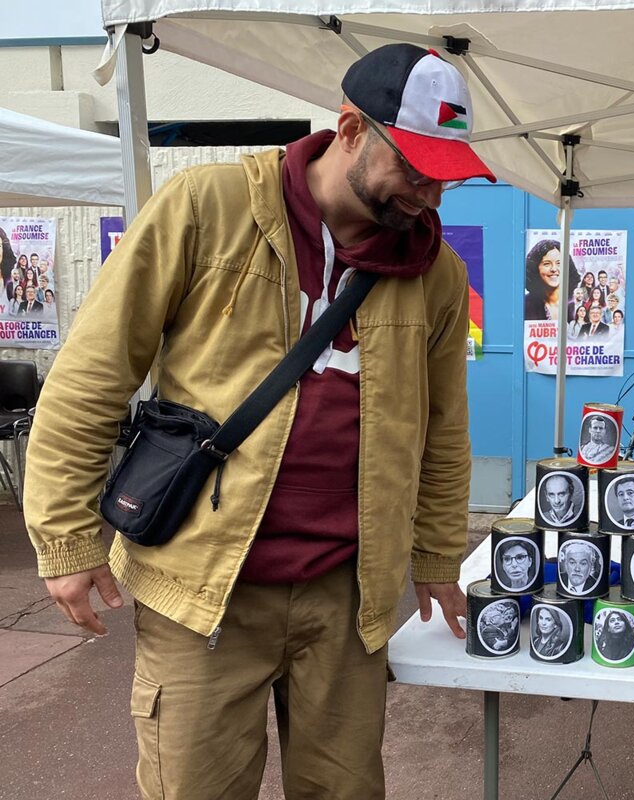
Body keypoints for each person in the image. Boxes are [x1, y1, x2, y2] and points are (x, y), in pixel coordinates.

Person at [23, 43, 493, 800]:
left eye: (447, 176)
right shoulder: (206, 208)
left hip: (347, 597)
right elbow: (93, 373)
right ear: (349, 130)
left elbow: (442, 433)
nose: (431, 195)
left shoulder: (436, 274)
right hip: (204, 587)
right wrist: (65, 536)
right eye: (415, 168)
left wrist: (437, 555)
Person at [524, 238, 578, 321]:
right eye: (547, 264)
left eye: (559, 263)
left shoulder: (578, 301)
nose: (554, 269)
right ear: (535, 268)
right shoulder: (525, 305)